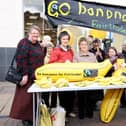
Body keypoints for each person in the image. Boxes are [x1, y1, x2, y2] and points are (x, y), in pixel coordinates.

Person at [9, 25, 46, 126]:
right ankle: (25, 120)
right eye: (33, 33)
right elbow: (20, 59)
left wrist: (44, 47)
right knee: (25, 99)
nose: (35, 35)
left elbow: (41, 56)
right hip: (27, 76)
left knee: (33, 99)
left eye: (37, 34)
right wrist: (24, 74)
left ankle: (32, 117)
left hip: (36, 76)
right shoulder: (23, 42)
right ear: (29, 33)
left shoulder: (38, 44)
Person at [49, 31, 76, 118]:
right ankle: (63, 115)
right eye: (63, 39)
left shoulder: (70, 50)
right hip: (60, 77)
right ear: (60, 40)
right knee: (62, 96)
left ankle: (69, 111)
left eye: (67, 39)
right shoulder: (56, 50)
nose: (65, 40)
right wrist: (63, 62)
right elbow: (51, 63)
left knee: (71, 95)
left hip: (70, 76)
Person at [73, 37, 97, 119]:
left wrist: (86, 71)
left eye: (85, 44)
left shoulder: (92, 55)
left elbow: (96, 67)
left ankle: (89, 113)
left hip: (91, 80)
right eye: (82, 44)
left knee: (90, 98)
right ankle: (81, 114)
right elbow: (75, 69)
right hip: (81, 81)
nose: (84, 46)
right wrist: (87, 71)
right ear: (79, 46)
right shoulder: (76, 56)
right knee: (81, 98)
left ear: (88, 46)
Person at [89, 38, 106, 109]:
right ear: (93, 44)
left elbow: (104, 61)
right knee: (92, 87)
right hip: (92, 71)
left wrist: (101, 55)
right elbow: (90, 62)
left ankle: (96, 102)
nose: (96, 44)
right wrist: (95, 56)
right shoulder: (90, 51)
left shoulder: (102, 51)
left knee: (98, 88)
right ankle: (91, 103)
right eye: (94, 43)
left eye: (97, 43)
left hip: (100, 71)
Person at [120, 41, 126, 107]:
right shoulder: (120, 54)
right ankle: (123, 103)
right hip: (122, 73)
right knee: (122, 88)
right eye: (124, 45)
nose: (125, 46)